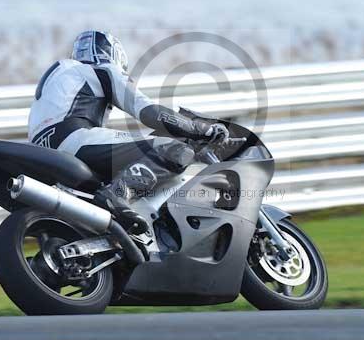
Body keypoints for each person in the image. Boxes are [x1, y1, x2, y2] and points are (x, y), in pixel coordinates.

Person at [27, 30, 228, 235]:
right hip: (75, 140)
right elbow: (150, 113)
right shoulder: (100, 69)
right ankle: (119, 195)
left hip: (43, 151)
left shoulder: (60, 76)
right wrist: (200, 129)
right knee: (177, 150)